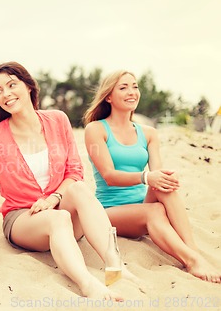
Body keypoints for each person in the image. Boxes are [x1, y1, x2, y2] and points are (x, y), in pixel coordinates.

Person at [0, 61, 123, 300]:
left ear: (29, 86)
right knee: (58, 218)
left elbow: (74, 171)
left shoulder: (58, 120)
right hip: (23, 219)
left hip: (61, 209)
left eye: (11, 85)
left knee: (79, 189)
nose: (6, 94)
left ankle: (116, 265)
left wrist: (54, 198)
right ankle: (87, 284)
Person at [83, 70, 221, 284]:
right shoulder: (95, 129)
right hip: (110, 212)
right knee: (154, 210)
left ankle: (193, 251)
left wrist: (165, 177)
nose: (132, 92)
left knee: (165, 185)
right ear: (108, 96)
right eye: (123, 87)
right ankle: (192, 260)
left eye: (135, 86)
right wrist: (148, 177)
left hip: (143, 203)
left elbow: (156, 175)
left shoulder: (148, 132)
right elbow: (109, 176)